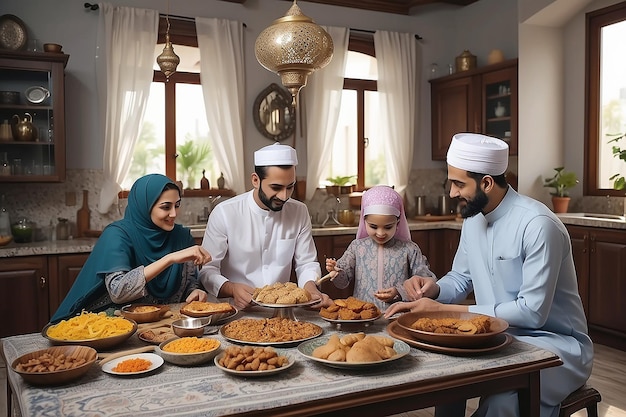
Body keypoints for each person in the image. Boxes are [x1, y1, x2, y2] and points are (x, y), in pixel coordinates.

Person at [385, 133, 593, 417]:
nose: (452, 194)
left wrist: (446, 311)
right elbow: (460, 277)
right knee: (448, 373)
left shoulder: (538, 226)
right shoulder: (473, 221)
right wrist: (432, 290)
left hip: (556, 346)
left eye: (459, 184)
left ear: (486, 182)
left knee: (502, 393)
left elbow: (532, 314)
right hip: (496, 337)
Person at [51, 174, 211, 323]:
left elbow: (190, 280)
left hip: (162, 324)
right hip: (110, 325)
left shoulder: (181, 235)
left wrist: (194, 292)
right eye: (165, 207)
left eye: (177, 205)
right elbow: (118, 292)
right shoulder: (117, 234)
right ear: (145, 206)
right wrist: (169, 258)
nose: (174, 214)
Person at [199, 143, 331, 310]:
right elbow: (208, 270)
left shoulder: (299, 211)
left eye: (290, 187)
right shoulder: (224, 213)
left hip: (282, 313)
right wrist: (232, 289)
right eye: (276, 187)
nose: (284, 196)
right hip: (235, 311)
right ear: (256, 180)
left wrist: (310, 288)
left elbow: (306, 263)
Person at [325, 185, 436, 310]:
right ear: (364, 221)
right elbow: (343, 282)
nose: (380, 233)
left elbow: (424, 283)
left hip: (398, 316)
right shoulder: (357, 247)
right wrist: (336, 273)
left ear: (398, 223)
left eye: (388, 227)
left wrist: (399, 291)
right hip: (363, 317)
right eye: (373, 226)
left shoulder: (409, 249)